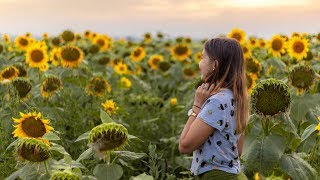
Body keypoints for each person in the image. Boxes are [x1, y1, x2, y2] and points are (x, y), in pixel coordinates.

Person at [178, 38, 249, 180]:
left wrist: (197, 106)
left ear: (214, 65)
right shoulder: (237, 98)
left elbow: (184, 146)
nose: (199, 63)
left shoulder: (216, 102)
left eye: (202, 57)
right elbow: (239, 150)